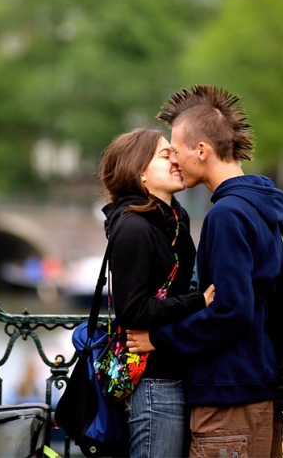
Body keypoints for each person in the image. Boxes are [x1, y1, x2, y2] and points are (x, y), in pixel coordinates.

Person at [126, 85, 283, 457]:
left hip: (228, 392)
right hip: (257, 384)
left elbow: (231, 311)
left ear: (202, 150)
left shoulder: (227, 214)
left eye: (176, 149)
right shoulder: (261, 206)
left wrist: (158, 339)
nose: (174, 160)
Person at [99, 127, 215, 458]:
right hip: (153, 382)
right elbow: (132, 311)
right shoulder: (133, 227)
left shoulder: (173, 220)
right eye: (166, 156)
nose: (176, 160)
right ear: (140, 173)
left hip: (174, 370)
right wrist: (198, 301)